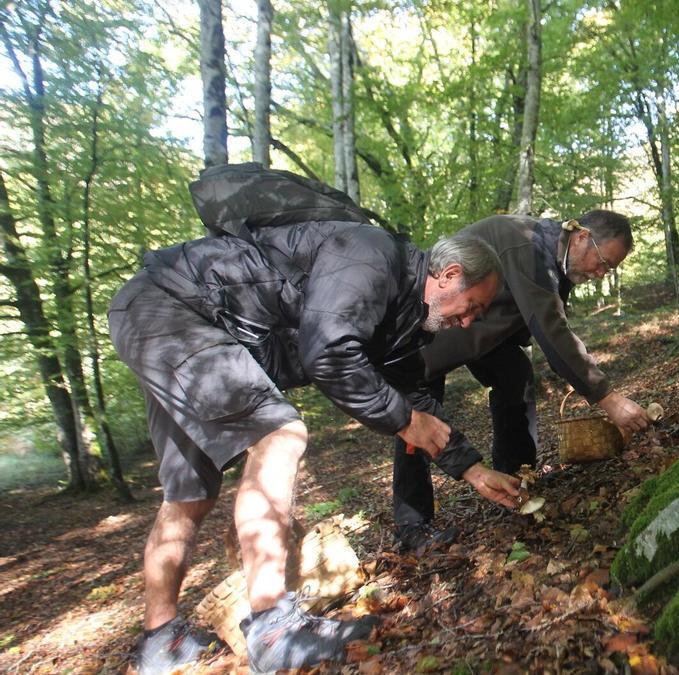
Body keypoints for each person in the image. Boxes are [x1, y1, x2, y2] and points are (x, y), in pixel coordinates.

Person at [109, 221, 521, 674]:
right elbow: (327, 352)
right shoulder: (371, 256)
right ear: (448, 275)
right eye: (470, 308)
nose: (466, 323)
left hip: (156, 314)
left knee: (190, 491)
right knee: (280, 435)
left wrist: (474, 472)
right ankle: (273, 630)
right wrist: (404, 422)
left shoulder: (404, 317)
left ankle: (161, 640)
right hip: (177, 310)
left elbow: (412, 396)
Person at [391, 210, 652, 553]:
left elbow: (534, 321)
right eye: (602, 261)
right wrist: (607, 398)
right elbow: (552, 331)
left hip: (479, 332)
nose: (601, 273)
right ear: (581, 237)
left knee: (515, 374)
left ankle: (516, 477)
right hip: (429, 332)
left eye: (610, 269)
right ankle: (412, 526)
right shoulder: (526, 246)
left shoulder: (555, 264)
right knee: (417, 416)